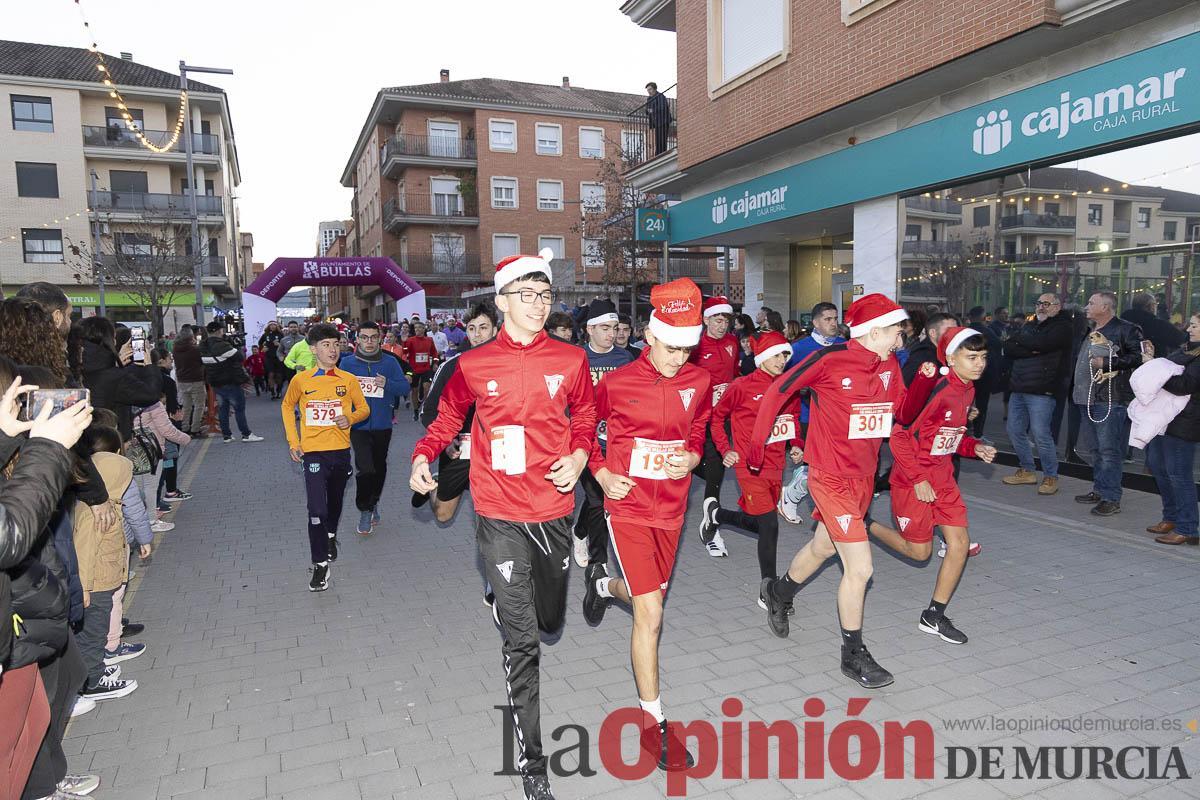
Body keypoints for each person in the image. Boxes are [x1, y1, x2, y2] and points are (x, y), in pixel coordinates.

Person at [409, 250, 595, 800]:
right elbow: (446, 417)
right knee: (524, 644)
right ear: (502, 301)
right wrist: (424, 455)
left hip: (554, 510)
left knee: (552, 620)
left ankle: (509, 595)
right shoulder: (473, 364)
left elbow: (586, 415)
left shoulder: (571, 359)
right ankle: (532, 760)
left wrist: (581, 458)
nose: (539, 306)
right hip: (497, 510)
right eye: (527, 296)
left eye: (545, 296)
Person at [750, 293, 909, 689]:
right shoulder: (829, 360)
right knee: (861, 568)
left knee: (823, 547)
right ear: (874, 332)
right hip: (829, 477)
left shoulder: (890, 364)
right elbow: (777, 391)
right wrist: (757, 447)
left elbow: (899, 412)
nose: (900, 338)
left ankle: (778, 592)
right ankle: (853, 654)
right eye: (894, 331)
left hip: (863, 479)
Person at [582, 278, 709, 772]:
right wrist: (601, 471)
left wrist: (694, 454)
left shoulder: (697, 382)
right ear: (650, 337)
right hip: (629, 507)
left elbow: (697, 427)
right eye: (671, 348)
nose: (679, 358)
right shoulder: (615, 381)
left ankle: (601, 583)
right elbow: (582, 430)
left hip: (673, 509)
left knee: (643, 599)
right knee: (652, 615)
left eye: (687, 349)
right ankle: (653, 724)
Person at [864, 328, 998, 647]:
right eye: (972, 357)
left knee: (960, 543)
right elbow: (898, 435)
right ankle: (865, 524)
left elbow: (947, 437)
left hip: (943, 478)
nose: (979, 364)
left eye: (983, 358)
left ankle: (933, 615)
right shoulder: (936, 390)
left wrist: (972, 447)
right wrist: (918, 478)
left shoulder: (968, 391)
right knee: (920, 552)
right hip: (913, 481)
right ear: (951, 359)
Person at [699, 331, 803, 594]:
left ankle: (716, 515)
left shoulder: (788, 387)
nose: (782, 360)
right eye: (778, 355)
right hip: (748, 465)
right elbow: (716, 417)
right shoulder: (741, 386)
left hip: (776, 465)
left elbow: (791, 423)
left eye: (785, 355)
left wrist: (797, 447)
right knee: (769, 525)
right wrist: (725, 450)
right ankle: (770, 589)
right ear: (764, 357)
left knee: (758, 522)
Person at [281, 323, 369, 592]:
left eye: (335, 344)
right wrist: (293, 442)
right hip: (313, 453)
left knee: (335, 502)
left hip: (340, 452)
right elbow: (287, 406)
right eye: (326, 345)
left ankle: (331, 536)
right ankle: (320, 565)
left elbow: (363, 408)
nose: (332, 350)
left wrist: (350, 418)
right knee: (316, 510)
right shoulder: (301, 380)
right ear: (313, 349)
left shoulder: (347, 379)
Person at [412, 302, 498, 527]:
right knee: (443, 515)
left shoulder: (507, 365)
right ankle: (438, 486)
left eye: (483, 327)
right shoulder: (452, 365)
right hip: (459, 449)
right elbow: (428, 411)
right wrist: (446, 441)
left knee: (494, 514)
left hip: (497, 450)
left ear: (495, 330)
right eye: (471, 328)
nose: (478, 335)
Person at [571, 299, 635, 591]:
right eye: (605, 328)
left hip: (617, 443)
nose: (612, 333)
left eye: (615, 328)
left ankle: (580, 530)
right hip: (586, 442)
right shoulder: (576, 359)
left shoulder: (627, 360)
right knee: (597, 500)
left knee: (600, 500)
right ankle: (598, 564)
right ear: (590, 329)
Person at [1072, 291, 1145, 516]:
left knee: (1109, 450)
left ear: (1106, 307)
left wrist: (1108, 362)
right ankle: (1100, 489)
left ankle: (1111, 497)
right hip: (1087, 397)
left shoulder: (1126, 328)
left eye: (1091, 303)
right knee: (1096, 448)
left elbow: (1139, 357)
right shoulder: (1091, 329)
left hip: (1109, 398)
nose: (1086, 306)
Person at [338, 321, 409, 535]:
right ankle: (365, 509)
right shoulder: (347, 363)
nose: (369, 342)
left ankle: (374, 500)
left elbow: (404, 387)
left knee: (379, 467)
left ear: (380, 338)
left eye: (373, 337)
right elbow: (337, 390)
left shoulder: (390, 363)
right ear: (357, 339)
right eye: (364, 337)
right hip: (357, 425)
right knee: (365, 467)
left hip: (382, 425)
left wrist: (387, 383)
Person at [1001, 292, 1073, 496]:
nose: (1041, 307)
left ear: (1057, 307)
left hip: (1043, 389)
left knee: (1041, 434)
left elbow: (1041, 345)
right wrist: (1030, 346)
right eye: (1039, 303)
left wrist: (1027, 344)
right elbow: (1008, 346)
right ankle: (1027, 470)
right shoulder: (1030, 325)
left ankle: (1051, 476)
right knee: (1014, 430)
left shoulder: (1063, 326)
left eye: (1047, 304)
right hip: (1019, 387)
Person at [688, 295, 739, 557]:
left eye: (726, 321)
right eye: (718, 320)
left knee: (716, 467)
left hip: (725, 416)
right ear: (706, 319)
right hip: (700, 416)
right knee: (714, 468)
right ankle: (712, 526)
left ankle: (711, 522)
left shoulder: (732, 342)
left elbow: (735, 374)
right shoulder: (696, 346)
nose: (722, 326)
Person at [1145, 314, 1200, 546]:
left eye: (1196, 325)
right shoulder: (1186, 349)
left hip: (1185, 421)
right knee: (1159, 467)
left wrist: (1154, 370)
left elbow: (1184, 385)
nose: (1189, 328)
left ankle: (1188, 527)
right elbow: (1167, 369)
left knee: (1179, 475)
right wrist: (1152, 359)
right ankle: (1171, 517)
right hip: (1165, 418)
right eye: (1191, 324)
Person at [70, 317, 162, 443]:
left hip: (82, 441)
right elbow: (150, 395)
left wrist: (116, 362)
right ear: (107, 340)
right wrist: (149, 365)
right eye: (113, 338)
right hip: (110, 442)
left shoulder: (74, 367)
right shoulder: (115, 377)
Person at [200, 321, 263, 444]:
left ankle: (227, 436)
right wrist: (233, 344)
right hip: (230, 380)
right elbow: (239, 357)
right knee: (239, 408)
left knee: (223, 408)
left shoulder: (203, 346)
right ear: (219, 331)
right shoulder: (222, 345)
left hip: (215, 382)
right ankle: (246, 434)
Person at [965, 306, 1002, 436]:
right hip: (984, 374)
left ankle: (964, 429)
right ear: (982, 317)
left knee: (964, 403)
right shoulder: (989, 332)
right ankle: (978, 433)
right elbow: (998, 347)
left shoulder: (964, 332)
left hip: (965, 373)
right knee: (982, 404)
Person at [1122, 292, 1186, 363]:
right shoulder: (1158, 325)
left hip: (1126, 363)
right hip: (1152, 364)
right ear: (1150, 306)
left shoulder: (1122, 321)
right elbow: (1180, 339)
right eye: (1156, 304)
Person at [171, 326, 207, 436]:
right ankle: (195, 429)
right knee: (199, 405)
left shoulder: (175, 349)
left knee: (186, 406)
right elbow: (202, 362)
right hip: (196, 379)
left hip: (182, 380)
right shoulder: (195, 349)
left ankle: (185, 427)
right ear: (191, 336)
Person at [402, 321, 438, 420]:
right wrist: (404, 342)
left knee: (427, 387)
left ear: (424, 329)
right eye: (415, 328)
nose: (417, 329)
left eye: (419, 327)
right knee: (415, 390)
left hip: (426, 368)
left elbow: (434, 352)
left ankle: (424, 407)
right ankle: (416, 410)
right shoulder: (410, 340)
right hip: (414, 369)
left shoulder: (429, 340)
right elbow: (405, 351)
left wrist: (435, 363)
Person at [258, 321, 286, 400]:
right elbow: (260, 343)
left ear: (276, 326)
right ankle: (272, 392)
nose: (272, 326)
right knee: (271, 374)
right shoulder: (265, 335)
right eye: (271, 325)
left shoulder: (281, 334)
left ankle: (279, 391)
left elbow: (285, 345)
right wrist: (262, 348)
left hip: (278, 357)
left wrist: (279, 345)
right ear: (268, 326)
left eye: (274, 325)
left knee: (279, 375)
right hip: (269, 357)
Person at [645, 81, 672, 157]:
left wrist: (652, 110)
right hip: (656, 122)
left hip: (663, 120)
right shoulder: (649, 99)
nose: (649, 91)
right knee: (658, 139)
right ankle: (658, 153)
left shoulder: (660, 96)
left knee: (662, 138)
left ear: (655, 89)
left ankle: (662, 153)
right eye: (648, 90)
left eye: (650, 89)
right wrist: (648, 111)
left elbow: (662, 107)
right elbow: (647, 110)